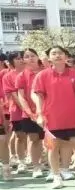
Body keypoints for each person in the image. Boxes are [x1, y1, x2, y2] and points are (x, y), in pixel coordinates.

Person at [31, 45, 75, 188]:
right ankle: (56, 177)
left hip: (73, 117)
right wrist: (40, 114)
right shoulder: (42, 75)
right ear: (49, 58)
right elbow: (39, 96)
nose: (57, 56)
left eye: (60, 53)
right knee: (52, 148)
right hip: (52, 118)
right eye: (54, 53)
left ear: (66, 56)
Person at [5, 49, 46, 177]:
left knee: (46, 140)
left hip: (47, 112)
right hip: (28, 113)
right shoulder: (21, 76)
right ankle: (36, 167)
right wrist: (30, 112)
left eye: (33, 55)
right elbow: (20, 96)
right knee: (33, 139)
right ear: (24, 60)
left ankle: (48, 165)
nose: (30, 58)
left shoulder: (45, 72)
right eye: (27, 57)